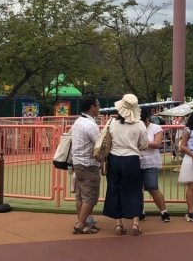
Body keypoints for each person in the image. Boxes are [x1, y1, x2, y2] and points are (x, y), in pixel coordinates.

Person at [102, 94, 149, 236]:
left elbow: (105, 140)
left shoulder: (111, 123)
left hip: (114, 158)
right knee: (135, 190)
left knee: (115, 189)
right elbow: (144, 144)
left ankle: (118, 224)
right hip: (132, 158)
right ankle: (135, 223)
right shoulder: (139, 124)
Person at [70, 96, 103, 234]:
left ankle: (83, 221)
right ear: (92, 107)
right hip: (89, 165)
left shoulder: (78, 122)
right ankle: (80, 225)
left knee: (81, 195)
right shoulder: (91, 125)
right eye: (98, 105)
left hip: (78, 163)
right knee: (90, 197)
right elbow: (100, 145)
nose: (99, 108)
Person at [139, 108, 169, 223]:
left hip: (149, 161)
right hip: (136, 160)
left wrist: (142, 143)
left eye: (143, 119)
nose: (141, 122)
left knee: (153, 187)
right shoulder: (135, 127)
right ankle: (140, 211)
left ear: (148, 118)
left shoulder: (156, 128)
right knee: (137, 189)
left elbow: (157, 144)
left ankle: (164, 211)